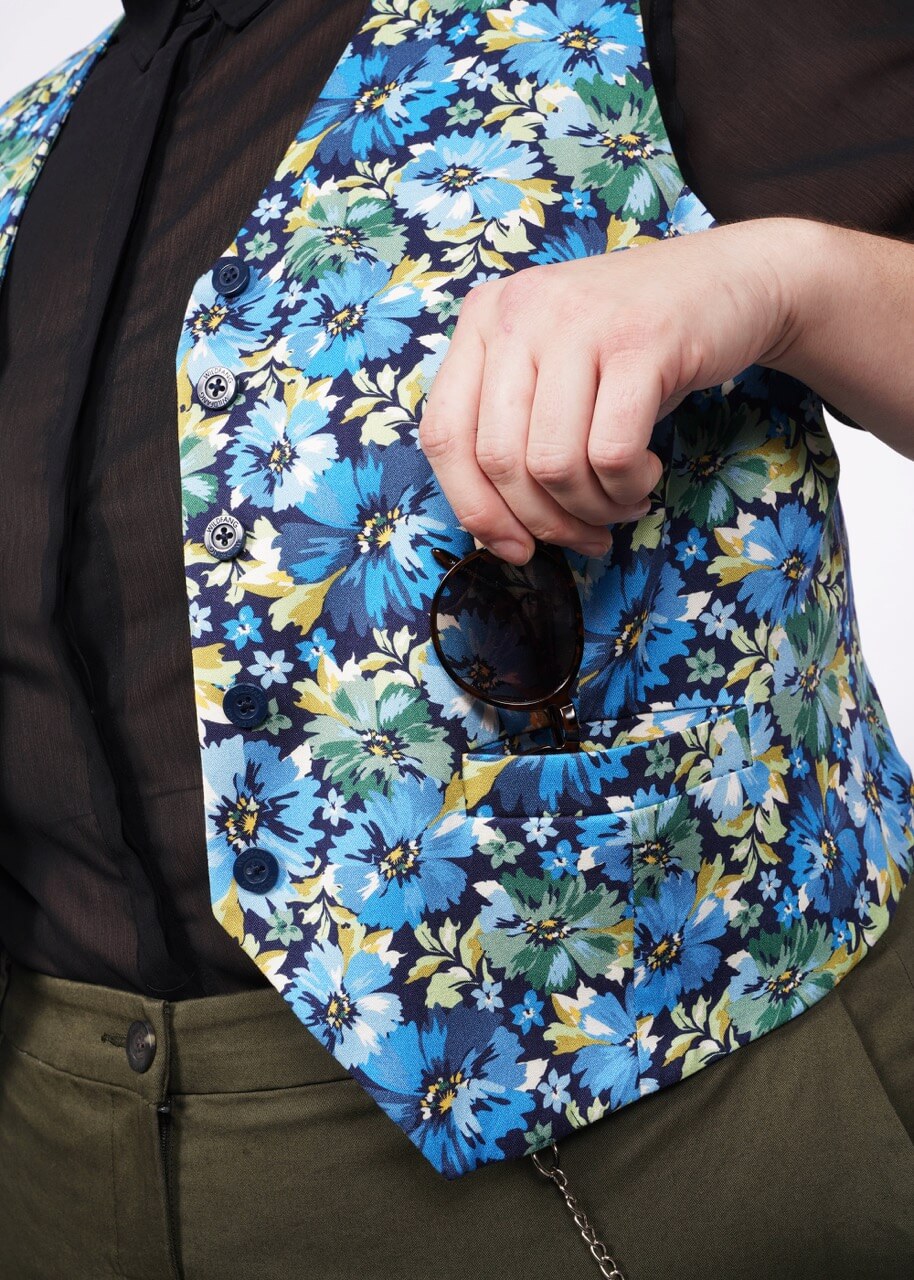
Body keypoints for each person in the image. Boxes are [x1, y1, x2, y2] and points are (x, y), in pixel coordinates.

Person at [0, 1, 912, 1277]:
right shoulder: (31, 139)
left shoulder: (642, 20)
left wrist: (777, 281)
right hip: (49, 1160)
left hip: (650, 1120)